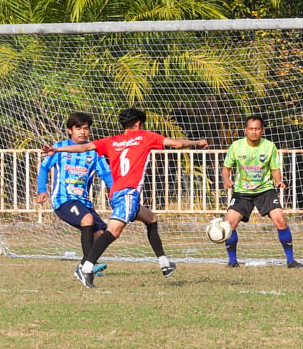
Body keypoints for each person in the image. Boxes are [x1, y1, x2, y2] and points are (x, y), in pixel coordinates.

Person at [53, 107, 208, 286]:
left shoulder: (112, 141)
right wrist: (198, 142)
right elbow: (177, 144)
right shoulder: (145, 136)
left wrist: (57, 150)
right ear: (138, 123)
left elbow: (83, 147)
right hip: (128, 193)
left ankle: (165, 263)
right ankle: (85, 268)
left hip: (117, 193)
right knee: (113, 232)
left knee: (150, 218)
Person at [34, 111, 114, 281]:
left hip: (83, 202)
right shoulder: (59, 148)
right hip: (63, 200)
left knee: (101, 233)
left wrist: (115, 191)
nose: (82, 132)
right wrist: (42, 190)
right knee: (87, 220)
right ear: (70, 130)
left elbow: (106, 174)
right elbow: (44, 168)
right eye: (78, 128)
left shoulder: (94, 152)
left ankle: (87, 264)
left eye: (85, 128)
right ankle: (86, 266)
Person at [221, 115, 300, 268]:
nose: (254, 132)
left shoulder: (269, 146)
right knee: (229, 224)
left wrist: (278, 180)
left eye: (257, 129)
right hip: (242, 192)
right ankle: (232, 262)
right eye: (251, 129)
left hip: (265, 190)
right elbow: (226, 168)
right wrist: (226, 179)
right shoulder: (236, 146)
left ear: (262, 130)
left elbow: (275, 169)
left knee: (280, 219)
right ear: (245, 130)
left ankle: (291, 261)